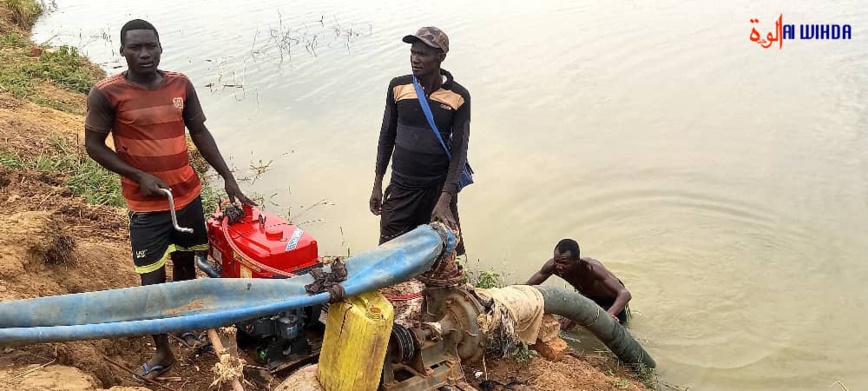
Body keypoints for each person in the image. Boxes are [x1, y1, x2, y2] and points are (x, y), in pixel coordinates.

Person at [84, 19, 254, 380]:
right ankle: (163, 353)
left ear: (160, 47)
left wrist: (227, 176)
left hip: (188, 194)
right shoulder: (107, 93)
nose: (144, 54)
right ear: (122, 50)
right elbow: (93, 146)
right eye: (135, 47)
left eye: (151, 46)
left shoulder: (181, 84)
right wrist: (137, 175)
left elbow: (200, 131)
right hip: (146, 205)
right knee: (151, 279)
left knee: (185, 264)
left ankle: (183, 324)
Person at [369, 26, 471, 254]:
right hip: (401, 187)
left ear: (440, 57)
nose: (415, 59)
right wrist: (377, 183)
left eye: (423, 54)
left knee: (441, 256)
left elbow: (459, 152)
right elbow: (386, 136)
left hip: (437, 189)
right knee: (388, 253)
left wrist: (445, 200)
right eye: (413, 53)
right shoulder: (398, 87)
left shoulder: (458, 96)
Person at [527, 239, 632, 328]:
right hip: (587, 296)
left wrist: (610, 314)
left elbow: (624, 294)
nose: (559, 266)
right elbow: (528, 286)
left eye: (564, 263)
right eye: (556, 261)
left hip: (611, 301)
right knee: (565, 326)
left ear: (577, 260)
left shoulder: (592, 268)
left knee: (613, 332)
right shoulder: (552, 266)